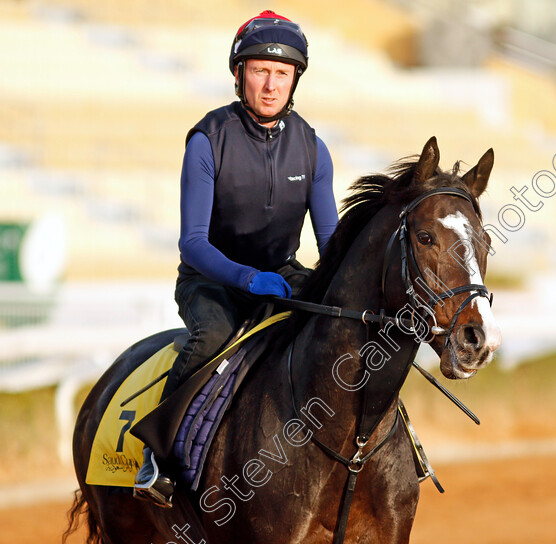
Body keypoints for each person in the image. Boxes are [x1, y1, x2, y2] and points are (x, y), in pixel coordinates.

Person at [134, 10, 338, 507]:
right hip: (212, 278)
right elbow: (193, 243)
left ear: (295, 81)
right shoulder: (207, 140)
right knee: (213, 336)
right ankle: (157, 456)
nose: (271, 85)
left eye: (282, 74)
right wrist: (247, 279)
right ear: (239, 73)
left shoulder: (313, 148)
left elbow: (329, 238)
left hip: (282, 273)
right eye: (260, 71)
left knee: (336, 329)